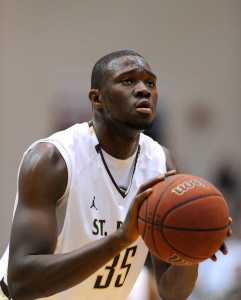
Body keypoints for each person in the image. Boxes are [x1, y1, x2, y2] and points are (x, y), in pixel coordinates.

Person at [0, 50, 232, 300]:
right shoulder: (53, 159)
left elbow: (171, 293)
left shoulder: (160, 162)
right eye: (128, 81)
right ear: (96, 98)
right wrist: (121, 240)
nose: (144, 90)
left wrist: (192, 248)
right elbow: (21, 283)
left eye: (150, 82)